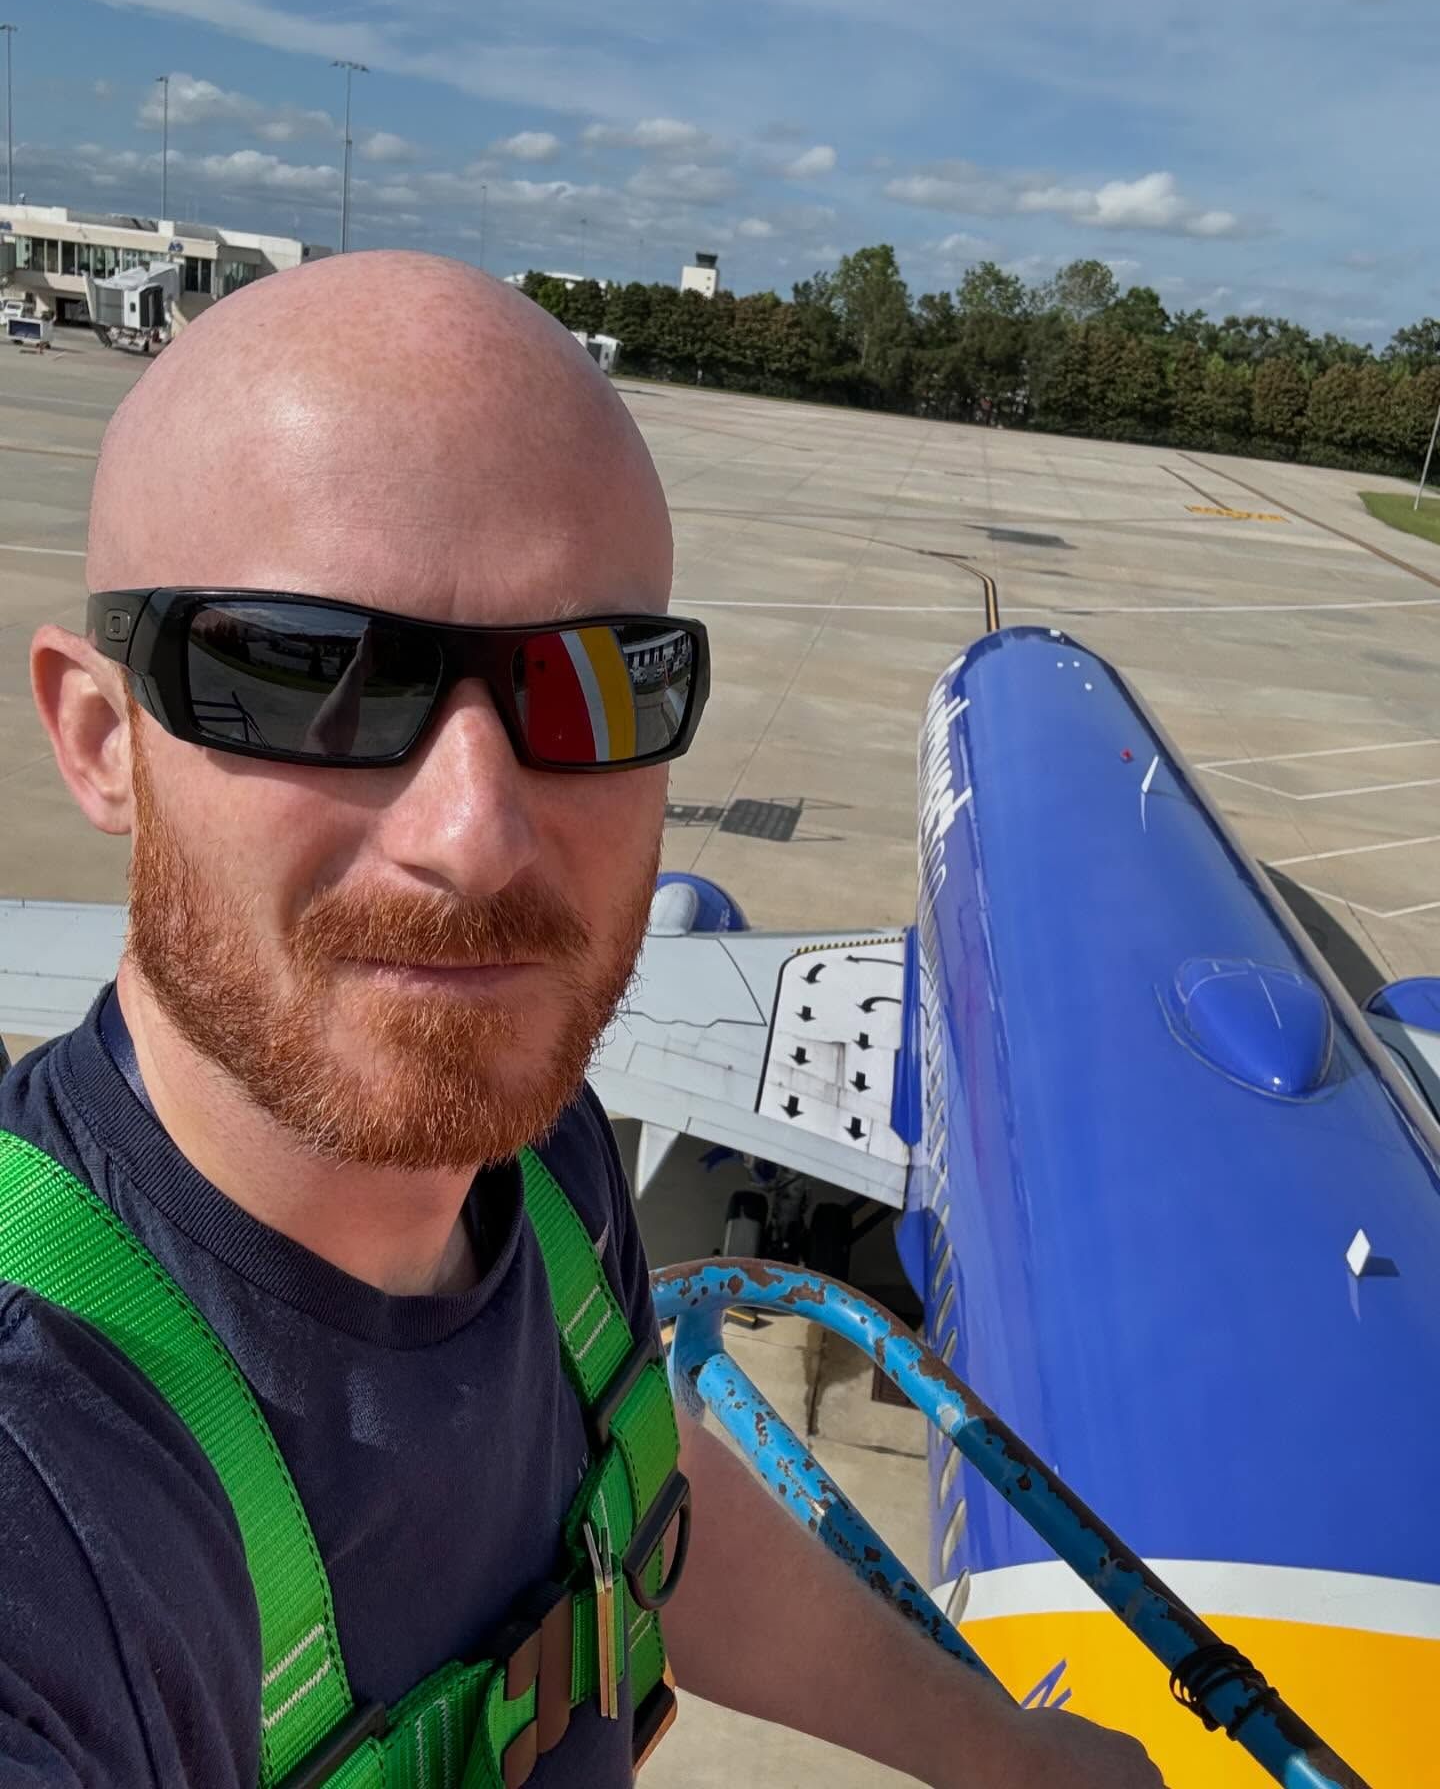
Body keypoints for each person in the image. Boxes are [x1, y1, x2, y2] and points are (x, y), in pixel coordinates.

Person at [0, 252, 1164, 1788]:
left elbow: (643, 1510)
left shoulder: (545, 1173)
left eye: (596, 689)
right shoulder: (57, 1494)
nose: (476, 833)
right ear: (103, 740)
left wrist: (1005, 1756)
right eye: (305, 674)